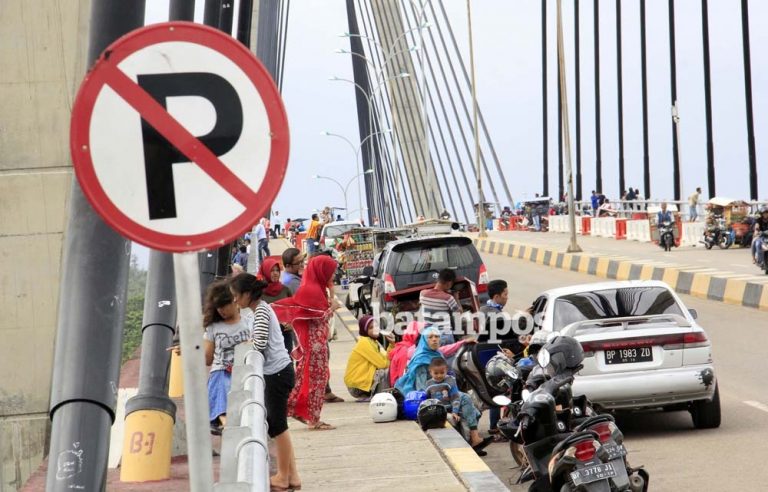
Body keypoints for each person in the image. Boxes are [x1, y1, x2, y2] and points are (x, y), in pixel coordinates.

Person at [230, 274, 300, 491]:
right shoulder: (261, 310)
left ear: (247, 294)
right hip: (279, 372)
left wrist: (245, 346)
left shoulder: (260, 311)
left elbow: (259, 345)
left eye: (235, 296)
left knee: (278, 427)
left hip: (277, 374)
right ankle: (292, 477)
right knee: (278, 426)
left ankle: (283, 475)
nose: (234, 301)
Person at [272, 255, 340, 430]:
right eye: (331, 272)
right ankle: (314, 419)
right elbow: (318, 316)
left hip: (317, 343)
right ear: (321, 271)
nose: (333, 276)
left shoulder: (317, 287)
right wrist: (332, 308)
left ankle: (300, 411)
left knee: (309, 380)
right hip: (313, 345)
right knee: (315, 381)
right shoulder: (311, 290)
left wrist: (331, 293)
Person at [202, 281, 251, 434]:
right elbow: (207, 359)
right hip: (222, 370)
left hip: (244, 370)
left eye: (224, 305)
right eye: (218, 307)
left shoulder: (248, 321)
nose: (221, 310)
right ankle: (224, 420)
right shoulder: (213, 327)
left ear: (234, 301)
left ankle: (225, 421)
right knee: (220, 381)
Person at [478, 280, 523, 442]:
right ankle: (495, 427)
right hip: (495, 358)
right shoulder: (496, 314)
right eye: (505, 295)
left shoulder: (484, 309)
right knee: (497, 392)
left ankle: (493, 426)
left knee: (492, 392)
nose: (507, 298)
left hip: (485, 357)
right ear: (497, 296)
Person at [425, 358, 492, 455]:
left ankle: (473, 440)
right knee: (469, 404)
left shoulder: (450, 380)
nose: (439, 375)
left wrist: (455, 411)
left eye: (442, 372)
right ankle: (474, 440)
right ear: (430, 372)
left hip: (452, 407)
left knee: (472, 409)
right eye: (436, 373)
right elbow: (428, 399)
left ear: (446, 371)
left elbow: (455, 397)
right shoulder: (428, 384)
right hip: (439, 410)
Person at [344, 315, 395, 401]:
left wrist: (391, 344)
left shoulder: (373, 342)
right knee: (385, 372)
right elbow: (383, 364)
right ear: (365, 330)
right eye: (371, 328)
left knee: (388, 369)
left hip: (363, 383)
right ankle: (380, 396)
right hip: (357, 387)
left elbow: (386, 358)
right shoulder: (364, 342)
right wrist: (390, 363)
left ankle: (379, 394)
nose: (375, 329)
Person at [260, 258, 294, 354]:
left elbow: (293, 309)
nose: (275, 273)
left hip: (285, 334)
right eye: (272, 270)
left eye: (277, 270)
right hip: (268, 335)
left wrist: (292, 323)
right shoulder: (259, 293)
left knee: (287, 361)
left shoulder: (285, 290)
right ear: (265, 271)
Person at [419, 269, 462, 345]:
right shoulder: (448, 298)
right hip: (445, 336)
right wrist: (456, 298)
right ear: (449, 284)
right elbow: (459, 312)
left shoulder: (422, 294)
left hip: (429, 337)